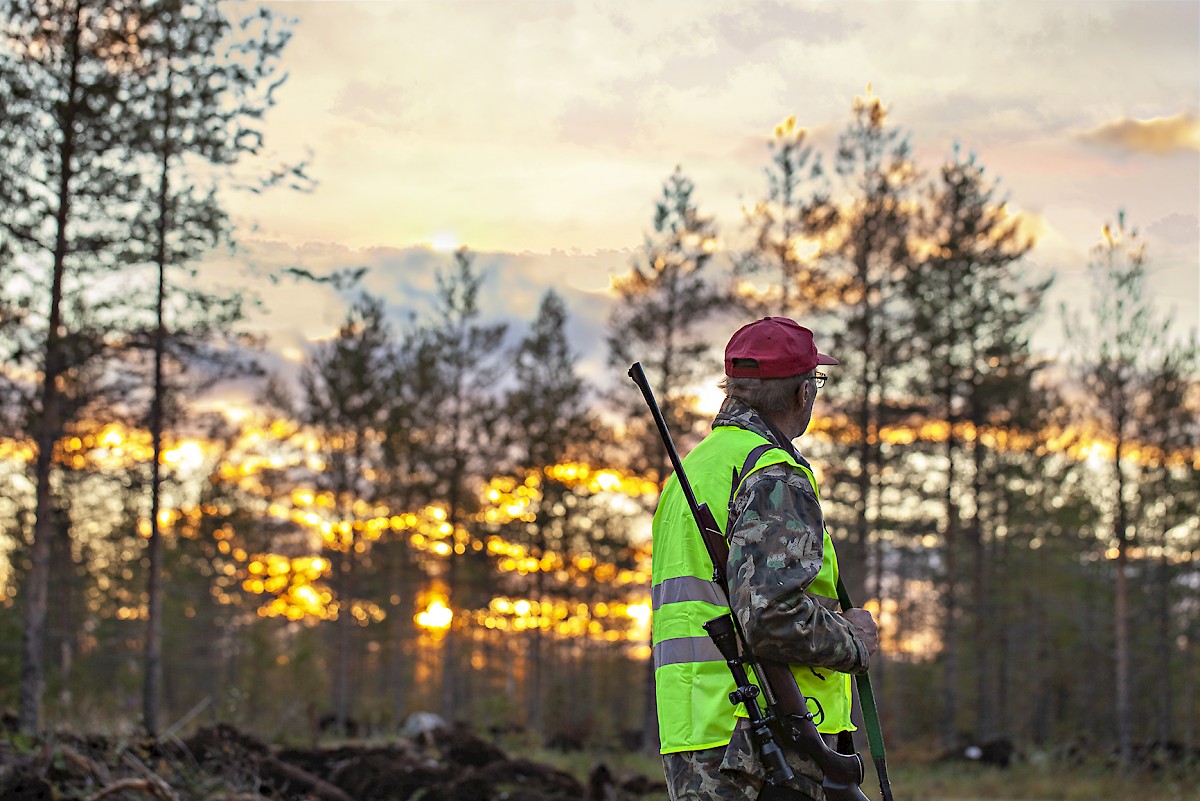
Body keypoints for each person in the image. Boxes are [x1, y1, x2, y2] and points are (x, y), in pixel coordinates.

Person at [651, 316, 880, 801]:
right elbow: (772, 616)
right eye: (816, 381)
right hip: (763, 742)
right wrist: (853, 640)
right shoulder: (772, 472)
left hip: (695, 736)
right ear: (803, 394)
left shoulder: (691, 474)